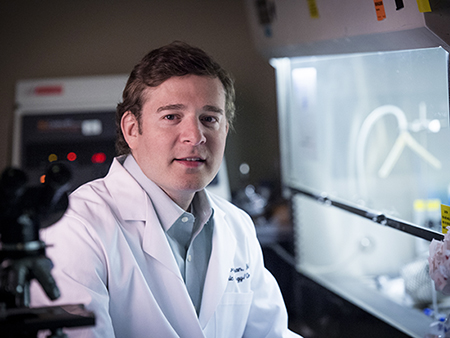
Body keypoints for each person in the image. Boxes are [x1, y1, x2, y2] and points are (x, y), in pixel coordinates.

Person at [31, 41, 301, 338]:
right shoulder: (77, 228)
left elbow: (268, 333)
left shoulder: (236, 225)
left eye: (209, 119)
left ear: (225, 130)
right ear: (132, 129)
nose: (195, 137)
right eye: (171, 116)